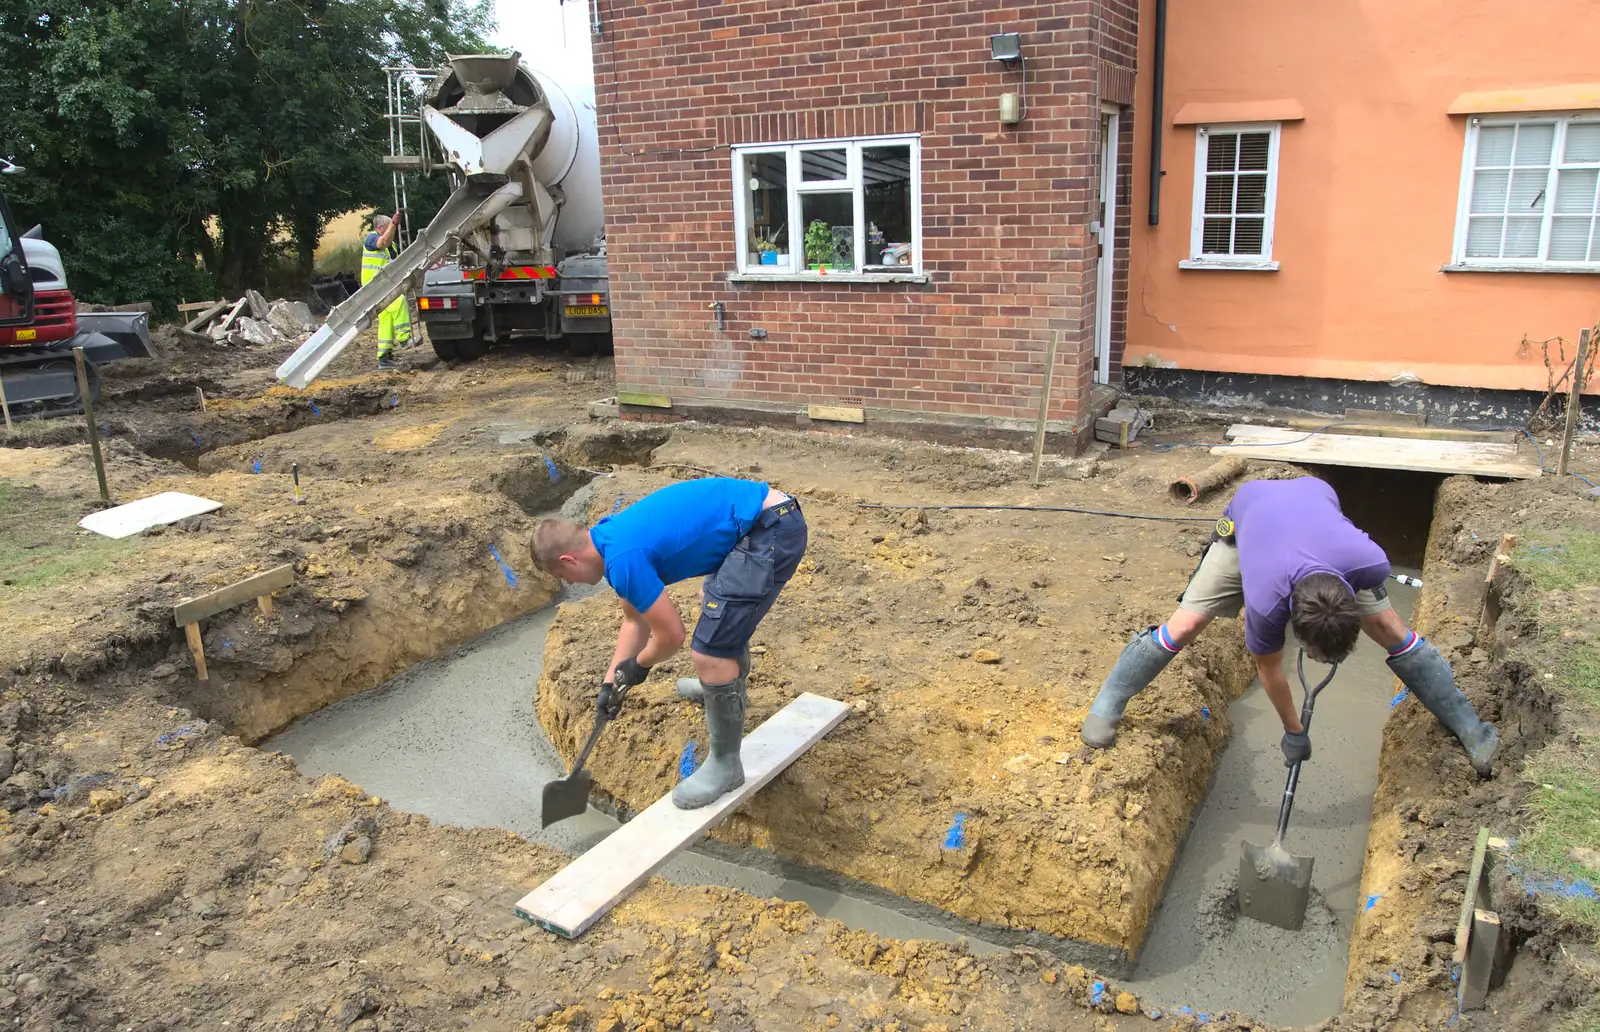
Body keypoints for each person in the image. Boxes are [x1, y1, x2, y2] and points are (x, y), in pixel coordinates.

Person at [1079, 476, 1499, 777]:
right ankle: (1110, 698)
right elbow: (1270, 671)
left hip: (1315, 499)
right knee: (1185, 625)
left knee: (1390, 628)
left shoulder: (1370, 563)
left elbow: (1375, 611)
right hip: (1248, 522)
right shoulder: (1266, 600)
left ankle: (1469, 727)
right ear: (1291, 619)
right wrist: (1293, 730)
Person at [531, 477, 808, 809]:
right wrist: (612, 682)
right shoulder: (610, 539)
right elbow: (635, 622)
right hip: (754, 523)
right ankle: (721, 690)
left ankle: (726, 767)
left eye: (564, 578)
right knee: (719, 608)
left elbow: (671, 637)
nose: (570, 584)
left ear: (568, 561)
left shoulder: (622, 559)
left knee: (709, 652)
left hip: (771, 529)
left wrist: (639, 665)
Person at [361, 210, 410, 369]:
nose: (393, 231)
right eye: (389, 227)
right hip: (375, 286)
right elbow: (382, 243)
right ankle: (404, 338)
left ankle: (384, 357)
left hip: (384, 285)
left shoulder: (392, 246)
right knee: (398, 301)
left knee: (386, 320)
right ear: (381, 227)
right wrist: (394, 224)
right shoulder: (371, 238)